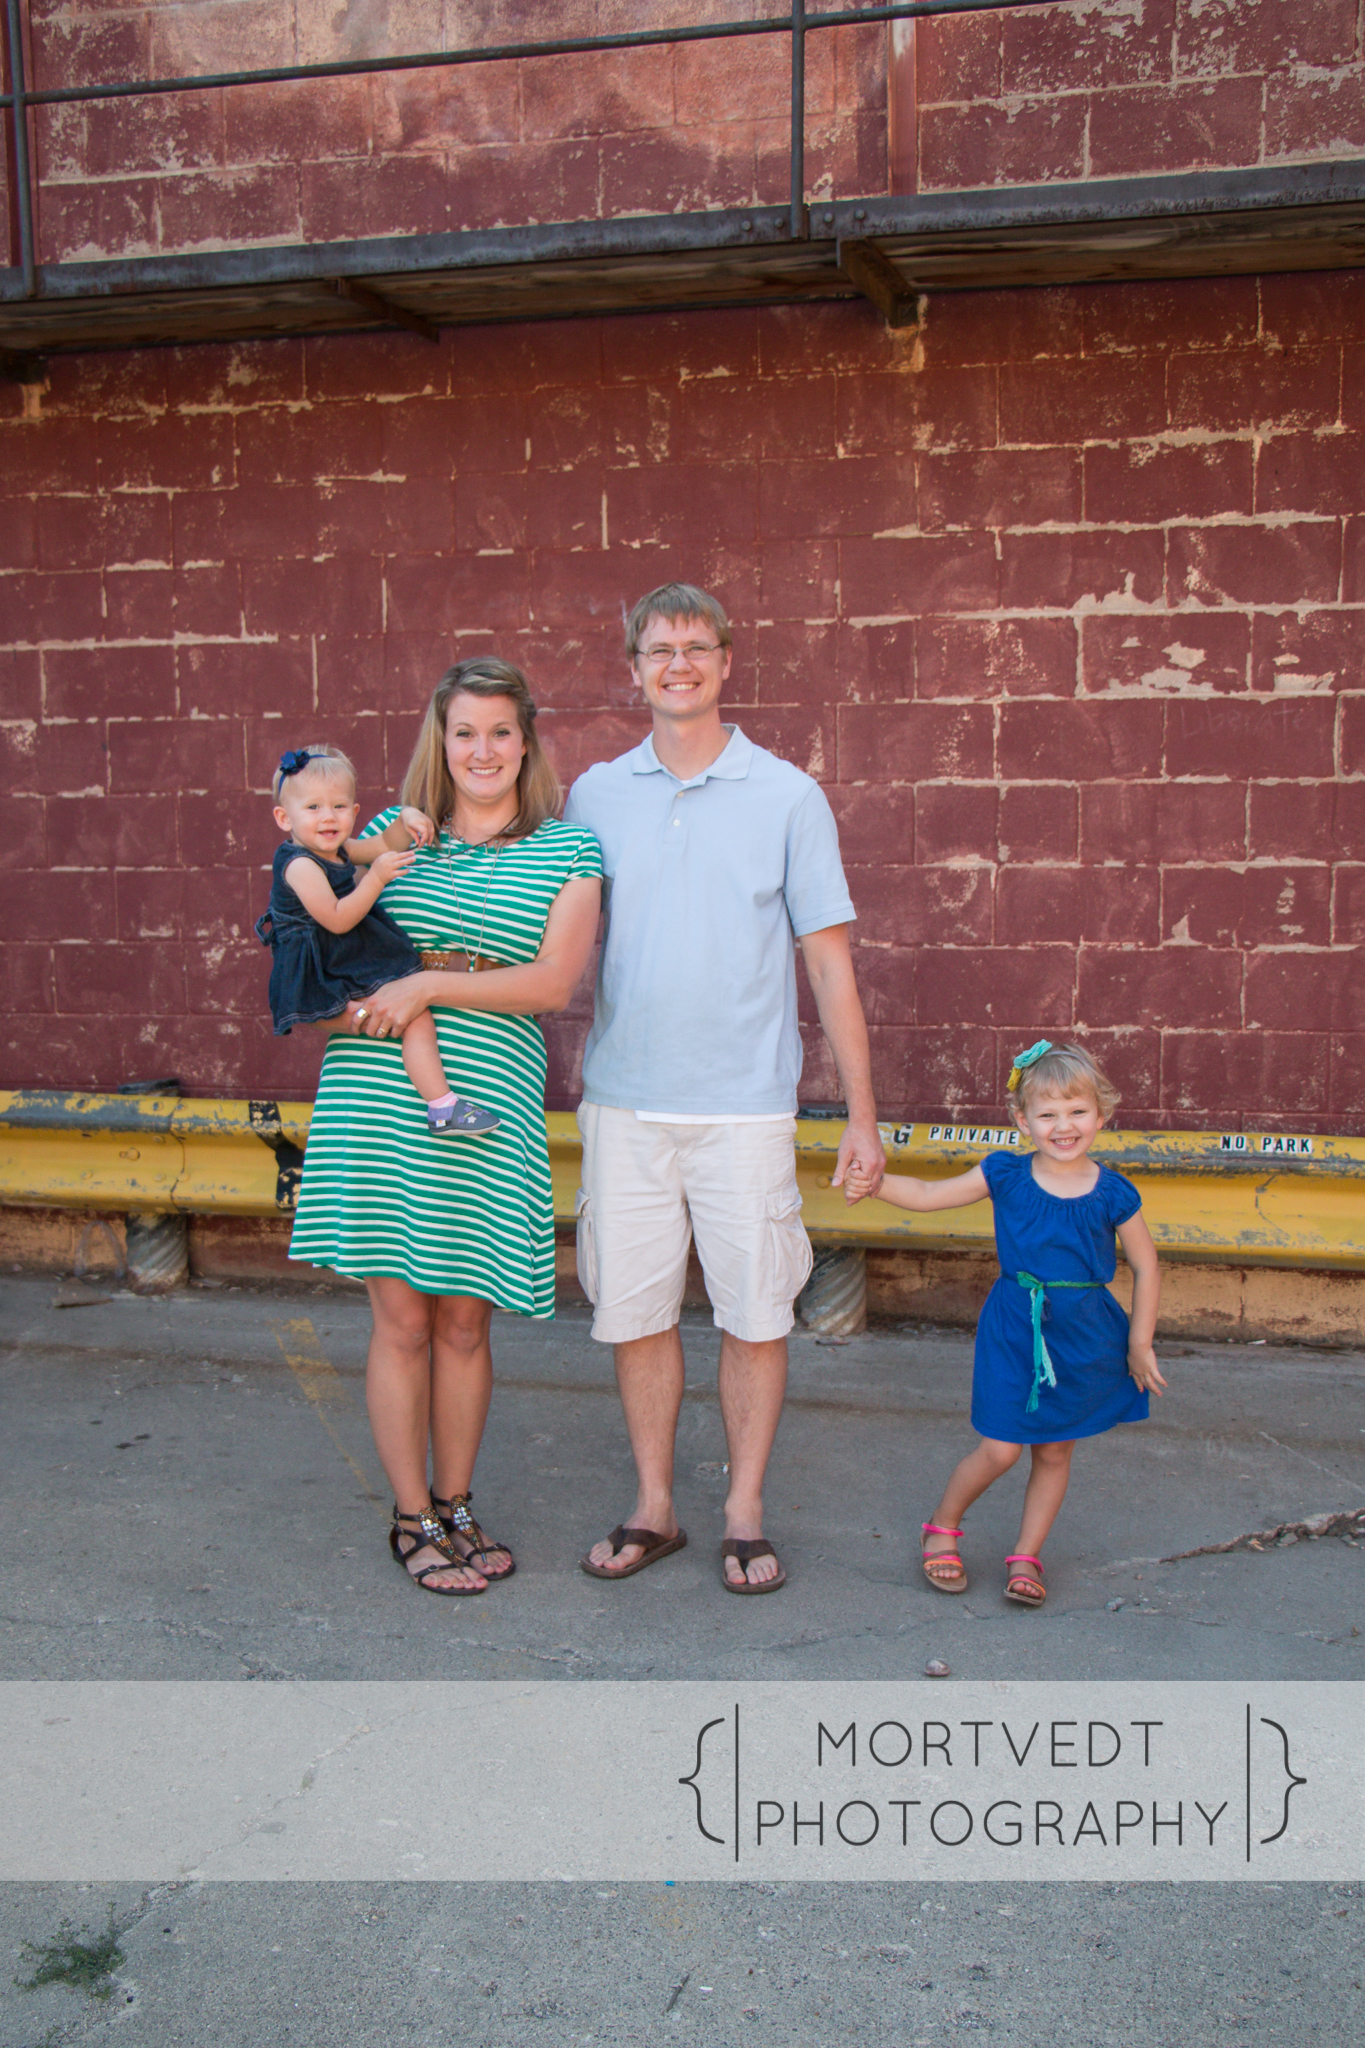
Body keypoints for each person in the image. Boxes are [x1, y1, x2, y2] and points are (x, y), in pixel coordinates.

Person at [563, 581, 885, 1595]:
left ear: (726, 661)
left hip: (745, 1106)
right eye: (659, 649)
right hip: (625, 1102)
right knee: (637, 1313)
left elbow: (828, 963)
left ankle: (744, 1510)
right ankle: (655, 1505)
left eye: (696, 647)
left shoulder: (786, 794)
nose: (679, 665)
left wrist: (863, 1114)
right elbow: (550, 936)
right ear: (634, 668)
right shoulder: (594, 795)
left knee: (755, 1315)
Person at [288, 661, 603, 1595]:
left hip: (490, 1091)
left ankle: (457, 1503)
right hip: (379, 1086)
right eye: (464, 732)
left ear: (526, 743)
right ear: (442, 740)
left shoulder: (569, 849)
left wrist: (427, 981)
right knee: (401, 1320)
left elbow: (552, 984)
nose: (482, 750)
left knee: (465, 1320)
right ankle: (411, 1516)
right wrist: (343, 1008)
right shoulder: (389, 835)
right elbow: (311, 941)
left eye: (500, 731)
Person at [845, 1040, 1164, 1607]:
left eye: (1077, 1111)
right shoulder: (1005, 1175)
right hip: (1016, 1328)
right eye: (1048, 1114)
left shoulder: (1114, 1192)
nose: (1063, 1126)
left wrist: (1139, 1343)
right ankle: (942, 1527)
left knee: (1056, 1451)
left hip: (1085, 1337)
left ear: (1101, 1114)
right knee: (1000, 1449)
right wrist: (875, 1184)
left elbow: (1146, 1265)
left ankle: (1026, 1555)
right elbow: (928, 1193)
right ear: (1022, 1120)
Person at [255, 745, 499, 1135]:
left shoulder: (337, 849)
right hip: (321, 965)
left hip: (343, 955)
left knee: (410, 1017)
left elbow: (383, 845)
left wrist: (407, 818)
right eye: (313, 807)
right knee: (411, 1016)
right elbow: (337, 920)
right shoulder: (300, 865)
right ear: (285, 818)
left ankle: (441, 1106)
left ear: (354, 812)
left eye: (338, 806)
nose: (328, 816)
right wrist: (376, 878)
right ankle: (442, 1106)